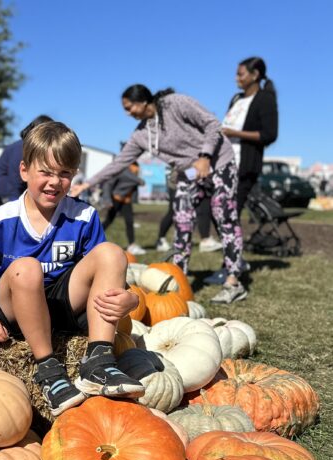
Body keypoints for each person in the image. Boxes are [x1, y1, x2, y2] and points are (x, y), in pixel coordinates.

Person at [0, 121, 144, 417]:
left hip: (63, 302)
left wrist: (132, 298)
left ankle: (98, 361)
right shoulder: (0, 218)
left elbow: (102, 270)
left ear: (74, 174)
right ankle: (48, 369)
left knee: (112, 253)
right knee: (27, 268)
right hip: (16, 304)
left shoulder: (84, 215)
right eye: (45, 172)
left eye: (63, 173)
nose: (54, 182)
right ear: (24, 171)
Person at [73, 85, 247, 304]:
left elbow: (213, 124)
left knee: (225, 218)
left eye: (129, 107)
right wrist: (87, 184)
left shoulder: (175, 103)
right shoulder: (140, 135)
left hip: (219, 161)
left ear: (143, 100)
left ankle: (234, 281)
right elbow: (118, 163)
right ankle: (178, 281)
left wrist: (205, 155)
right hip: (189, 172)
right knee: (182, 223)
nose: (128, 113)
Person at [202, 57, 279, 285]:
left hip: (244, 167)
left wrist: (235, 134)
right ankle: (235, 262)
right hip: (222, 164)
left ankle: (231, 269)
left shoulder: (265, 99)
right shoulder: (236, 98)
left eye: (241, 74)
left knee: (228, 214)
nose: (237, 78)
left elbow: (269, 135)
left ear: (255, 75)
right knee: (216, 211)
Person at [0, 115, 54, 204]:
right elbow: (15, 182)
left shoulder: (36, 149)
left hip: (21, 187)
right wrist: (17, 207)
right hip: (4, 191)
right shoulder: (21, 149)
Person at [101, 161, 146, 256]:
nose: (136, 171)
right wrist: (108, 200)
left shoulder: (133, 173)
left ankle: (132, 245)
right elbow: (108, 184)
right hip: (116, 199)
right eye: (135, 169)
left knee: (129, 221)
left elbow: (140, 182)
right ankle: (92, 237)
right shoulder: (123, 171)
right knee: (109, 220)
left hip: (126, 200)